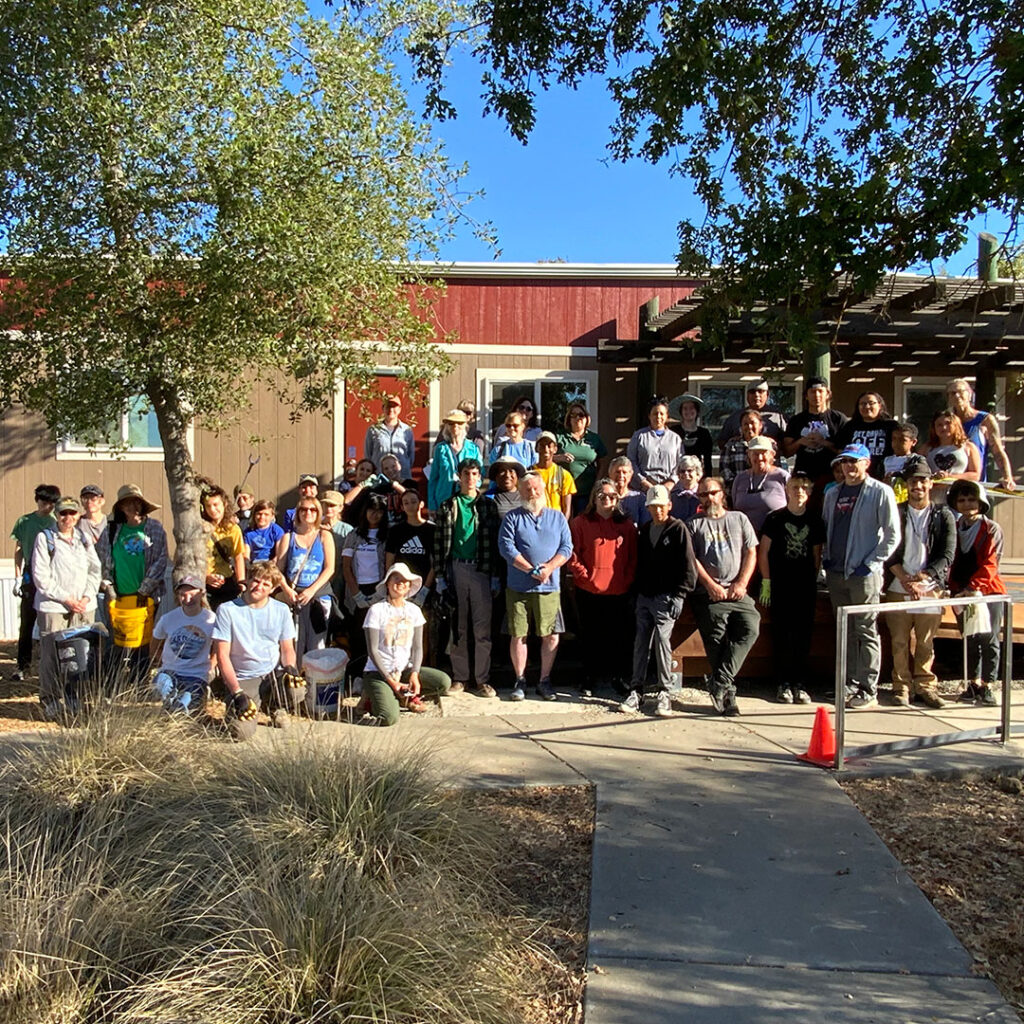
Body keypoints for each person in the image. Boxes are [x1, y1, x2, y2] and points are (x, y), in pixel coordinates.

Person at [822, 443, 900, 708]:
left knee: (866, 629)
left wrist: (871, 562)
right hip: (836, 572)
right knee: (844, 630)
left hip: (864, 574)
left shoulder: (880, 492)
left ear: (866, 463)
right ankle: (848, 683)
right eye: (845, 462)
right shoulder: (833, 493)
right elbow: (826, 529)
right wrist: (826, 560)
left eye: (854, 461)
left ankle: (868, 687)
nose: (849, 466)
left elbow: (892, 535)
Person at [619, 484, 696, 716]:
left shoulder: (678, 529)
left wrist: (680, 595)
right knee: (641, 641)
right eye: (653, 507)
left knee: (663, 640)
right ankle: (636, 689)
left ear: (669, 506)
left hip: (666, 596)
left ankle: (665, 691)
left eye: (661, 506)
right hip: (645, 595)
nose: (657, 511)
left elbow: (688, 566)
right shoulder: (644, 530)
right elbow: (639, 564)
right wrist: (636, 592)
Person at [883, 464, 955, 709]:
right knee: (899, 640)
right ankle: (901, 686)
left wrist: (924, 577)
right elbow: (887, 548)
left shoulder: (943, 514)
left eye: (922, 481)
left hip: (929, 586)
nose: (918, 486)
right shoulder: (897, 512)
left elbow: (947, 553)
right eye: (913, 481)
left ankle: (925, 686)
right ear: (907, 485)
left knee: (926, 641)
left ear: (930, 484)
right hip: (897, 584)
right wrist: (904, 578)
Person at [687, 477, 761, 716]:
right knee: (716, 636)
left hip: (737, 591)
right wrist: (710, 585)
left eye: (712, 493)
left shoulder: (739, 519)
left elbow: (751, 551)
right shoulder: (693, 524)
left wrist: (741, 582)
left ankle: (719, 681)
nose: (708, 499)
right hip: (709, 593)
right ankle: (728, 694)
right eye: (703, 495)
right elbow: (693, 561)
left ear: (722, 494)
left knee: (751, 627)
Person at [498, 473, 573, 701]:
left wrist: (549, 568)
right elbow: (506, 547)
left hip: (549, 587)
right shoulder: (512, 518)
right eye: (527, 489)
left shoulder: (558, 517)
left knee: (551, 635)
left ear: (544, 490)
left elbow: (567, 547)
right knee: (518, 634)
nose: (532, 493)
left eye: (536, 488)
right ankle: (520, 680)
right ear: (520, 492)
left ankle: (544, 680)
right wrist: (529, 569)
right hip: (518, 587)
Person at [432, 459, 500, 697]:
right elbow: (439, 544)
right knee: (458, 626)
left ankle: (482, 679)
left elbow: (494, 543)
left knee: (482, 628)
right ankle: (460, 677)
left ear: (480, 477)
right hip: (456, 569)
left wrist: (495, 576)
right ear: (459, 477)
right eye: (466, 473)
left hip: (482, 571)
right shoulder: (448, 506)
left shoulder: (488, 506)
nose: (470, 478)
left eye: (474, 473)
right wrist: (440, 575)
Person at [212, 561, 304, 736]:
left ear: (273, 589)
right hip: (243, 677)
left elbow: (287, 648)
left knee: (297, 688)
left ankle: (277, 707)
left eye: (266, 584)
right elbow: (222, 656)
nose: (259, 587)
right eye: (255, 580)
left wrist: (291, 668)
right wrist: (236, 691)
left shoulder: (282, 610)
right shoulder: (227, 610)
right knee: (240, 733)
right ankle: (235, 703)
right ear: (247, 581)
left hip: (272, 674)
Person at [31, 496, 102, 720]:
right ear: (56, 515)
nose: (68, 518)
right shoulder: (45, 538)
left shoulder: (84, 538)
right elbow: (41, 576)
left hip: (82, 606)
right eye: (63, 513)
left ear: (78, 515)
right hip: (53, 606)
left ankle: (75, 697)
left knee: (80, 653)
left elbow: (95, 570)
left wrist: (86, 596)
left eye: (72, 513)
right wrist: (66, 598)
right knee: (51, 654)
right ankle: (51, 699)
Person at [758, 473, 825, 703]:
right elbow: (763, 551)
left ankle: (800, 683)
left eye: (804, 487)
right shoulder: (775, 518)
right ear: (787, 489)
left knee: (803, 635)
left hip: (804, 586)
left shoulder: (815, 520)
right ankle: (783, 682)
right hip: (780, 584)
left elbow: (817, 555)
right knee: (782, 634)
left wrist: (811, 580)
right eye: (795, 486)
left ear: (809, 492)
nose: (799, 491)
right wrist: (766, 580)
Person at [569, 477, 639, 696]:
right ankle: (590, 678)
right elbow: (572, 554)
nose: (607, 500)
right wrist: (584, 576)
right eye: (602, 496)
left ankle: (619, 679)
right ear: (594, 498)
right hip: (589, 590)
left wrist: (626, 580)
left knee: (618, 638)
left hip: (619, 590)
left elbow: (633, 557)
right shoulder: (581, 522)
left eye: (612, 496)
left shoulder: (625, 524)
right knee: (591, 636)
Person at [361, 563, 453, 725]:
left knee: (443, 682)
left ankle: (406, 695)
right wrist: (392, 682)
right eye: (396, 579)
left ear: (410, 585)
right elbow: (373, 651)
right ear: (388, 584)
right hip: (378, 672)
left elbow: (418, 648)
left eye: (405, 580)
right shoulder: (376, 610)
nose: (400, 583)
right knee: (389, 718)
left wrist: (414, 674)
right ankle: (374, 697)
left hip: (404, 668)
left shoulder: (414, 611)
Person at [97, 484, 170, 676]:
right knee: (116, 640)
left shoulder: (154, 528)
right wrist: (109, 586)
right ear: (121, 508)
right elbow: (102, 560)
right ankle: (111, 681)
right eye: (127, 504)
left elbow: (162, 559)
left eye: (136, 502)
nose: (132, 507)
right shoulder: (112, 530)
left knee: (142, 641)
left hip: (147, 595)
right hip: (118, 595)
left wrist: (144, 588)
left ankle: (138, 680)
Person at [947, 480, 1007, 707]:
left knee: (989, 638)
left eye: (971, 499)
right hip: (961, 592)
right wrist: (955, 589)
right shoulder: (953, 526)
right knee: (969, 638)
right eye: (961, 500)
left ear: (981, 502)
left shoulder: (991, 528)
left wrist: (974, 588)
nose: (966, 504)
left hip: (987, 591)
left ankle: (989, 685)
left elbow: (992, 563)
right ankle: (973, 682)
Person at [275, 495, 336, 664]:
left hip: (318, 597)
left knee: (317, 644)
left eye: (313, 509)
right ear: (298, 513)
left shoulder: (324, 535)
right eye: (303, 509)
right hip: (294, 597)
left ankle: (315, 683)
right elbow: (278, 569)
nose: (308, 513)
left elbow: (330, 568)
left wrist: (311, 590)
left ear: (318, 513)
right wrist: (287, 590)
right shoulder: (288, 537)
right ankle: (296, 683)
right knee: (295, 643)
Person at [9, 483, 59, 681]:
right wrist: (17, 576)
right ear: (37, 500)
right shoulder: (25, 521)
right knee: (27, 621)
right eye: (44, 502)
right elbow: (19, 549)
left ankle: (52, 666)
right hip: (30, 571)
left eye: (51, 503)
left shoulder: (56, 522)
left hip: (52, 572)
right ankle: (23, 665)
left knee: (51, 621)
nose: (47, 507)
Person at [150, 574, 216, 715]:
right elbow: (155, 641)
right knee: (158, 687)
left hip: (196, 673)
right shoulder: (168, 618)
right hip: (170, 670)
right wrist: (159, 661)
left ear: (202, 593)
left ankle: (184, 705)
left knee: (184, 705)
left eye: (192, 594)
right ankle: (170, 703)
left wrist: (212, 664)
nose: (187, 599)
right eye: (182, 595)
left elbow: (219, 645)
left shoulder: (211, 619)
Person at [340, 493, 389, 659]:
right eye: (371, 510)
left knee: (378, 632)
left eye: (379, 511)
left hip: (378, 588)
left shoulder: (387, 537)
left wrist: (381, 592)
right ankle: (358, 674)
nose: (374, 514)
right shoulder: (353, 535)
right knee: (358, 633)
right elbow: (346, 567)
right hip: (358, 588)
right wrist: (356, 594)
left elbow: (389, 566)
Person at [783, 376, 849, 492]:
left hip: (832, 476)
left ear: (828, 394)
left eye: (820, 391)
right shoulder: (796, 420)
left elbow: (846, 451)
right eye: (812, 392)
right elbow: (787, 452)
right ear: (806, 396)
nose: (817, 395)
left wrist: (824, 442)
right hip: (804, 476)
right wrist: (801, 441)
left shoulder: (838, 419)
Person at [946, 378, 1015, 489]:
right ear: (949, 398)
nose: (957, 396)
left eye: (961, 391)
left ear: (970, 394)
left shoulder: (985, 420)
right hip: (950, 484)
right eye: (953, 393)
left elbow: (998, 451)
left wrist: (1007, 477)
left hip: (975, 484)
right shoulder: (945, 422)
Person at [554, 401, 608, 515]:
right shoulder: (560, 437)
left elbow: (603, 462)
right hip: (563, 490)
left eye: (581, 415)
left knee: (583, 522)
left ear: (586, 419)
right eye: (573, 415)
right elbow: (546, 457)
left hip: (587, 491)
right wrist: (559, 457)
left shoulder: (594, 439)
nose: (577, 418)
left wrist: (597, 484)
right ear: (569, 419)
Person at [200, 483, 245, 611]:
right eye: (208, 506)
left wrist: (241, 581)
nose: (213, 509)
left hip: (227, 581)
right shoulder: (200, 529)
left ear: (224, 504)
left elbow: (238, 556)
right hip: (206, 583)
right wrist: (205, 577)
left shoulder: (233, 529)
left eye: (216, 505)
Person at [731, 436, 790, 534]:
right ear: (749, 455)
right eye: (755, 453)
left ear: (772, 455)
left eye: (764, 453)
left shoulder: (783, 477)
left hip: (776, 536)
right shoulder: (740, 479)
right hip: (745, 539)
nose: (760, 458)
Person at [427, 408, 483, 511]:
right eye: (451, 423)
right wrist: (432, 505)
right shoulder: (440, 449)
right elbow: (433, 479)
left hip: (466, 500)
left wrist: (471, 486)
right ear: (447, 426)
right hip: (443, 499)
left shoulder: (473, 449)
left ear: (465, 426)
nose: (455, 426)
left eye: (459, 423)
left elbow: (480, 475)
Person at [835, 392, 898, 479]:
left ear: (879, 405)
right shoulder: (850, 426)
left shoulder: (891, 426)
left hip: (884, 475)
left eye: (871, 403)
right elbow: (841, 450)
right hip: (856, 475)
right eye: (863, 404)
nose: (867, 407)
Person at [626, 395, 683, 491]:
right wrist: (643, 481)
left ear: (667, 416)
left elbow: (680, 463)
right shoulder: (639, 436)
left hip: (670, 490)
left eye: (662, 414)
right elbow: (631, 461)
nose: (658, 417)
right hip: (643, 489)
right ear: (649, 416)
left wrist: (671, 482)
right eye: (655, 413)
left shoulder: (675, 439)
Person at [717, 380, 786, 451]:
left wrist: (773, 444)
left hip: (768, 460)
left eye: (760, 391)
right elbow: (722, 442)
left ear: (767, 394)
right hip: (740, 459)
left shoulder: (778, 417)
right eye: (752, 392)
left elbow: (787, 444)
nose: (756, 395)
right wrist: (738, 442)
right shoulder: (735, 417)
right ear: (747, 395)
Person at [923, 409, 982, 488]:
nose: (944, 427)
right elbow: (918, 472)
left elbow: (975, 475)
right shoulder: (926, 448)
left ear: (956, 425)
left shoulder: (968, 447)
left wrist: (949, 477)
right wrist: (933, 477)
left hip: (959, 494)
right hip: (933, 495)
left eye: (948, 423)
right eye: (939, 425)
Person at [720, 409, 775, 488]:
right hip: (738, 490)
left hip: (765, 489)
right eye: (745, 424)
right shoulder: (731, 445)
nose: (749, 427)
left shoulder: (770, 444)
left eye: (753, 423)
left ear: (760, 425)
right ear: (741, 427)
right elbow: (724, 470)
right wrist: (738, 484)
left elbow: (776, 468)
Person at [364, 395, 416, 478]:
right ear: (383, 409)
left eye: (394, 407)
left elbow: (411, 456)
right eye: (388, 406)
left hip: (402, 477)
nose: (391, 410)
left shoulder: (407, 430)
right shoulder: (374, 429)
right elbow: (368, 454)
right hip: (379, 478)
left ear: (399, 409)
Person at [532, 431, 576, 516]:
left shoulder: (564, 475)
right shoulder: (529, 473)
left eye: (549, 446)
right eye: (542, 446)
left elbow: (567, 508)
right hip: (534, 520)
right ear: (536, 448)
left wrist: (562, 525)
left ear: (555, 449)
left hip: (556, 521)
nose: (546, 449)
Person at [669, 392, 714, 476]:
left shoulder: (704, 434)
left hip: (696, 476)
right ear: (681, 411)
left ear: (697, 411)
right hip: (676, 475)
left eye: (691, 408)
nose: (688, 411)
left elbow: (708, 460)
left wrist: (707, 478)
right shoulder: (673, 432)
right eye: (685, 408)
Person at [669, 455, 703, 521]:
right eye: (682, 471)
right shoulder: (672, 497)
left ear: (698, 473)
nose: (686, 473)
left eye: (689, 470)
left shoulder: (704, 495)